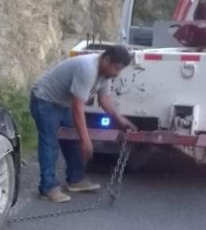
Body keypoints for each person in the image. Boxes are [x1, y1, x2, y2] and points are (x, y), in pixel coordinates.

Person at [30, 45, 135, 203]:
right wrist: (86, 141)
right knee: (50, 144)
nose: (117, 73)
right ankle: (47, 188)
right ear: (106, 60)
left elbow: (104, 99)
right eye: (116, 68)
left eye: (120, 70)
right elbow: (78, 108)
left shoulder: (104, 75)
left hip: (62, 103)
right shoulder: (88, 69)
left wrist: (120, 120)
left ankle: (76, 180)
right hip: (44, 100)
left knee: (72, 139)